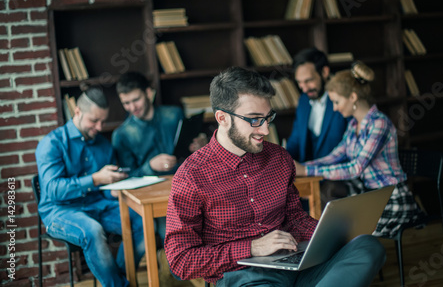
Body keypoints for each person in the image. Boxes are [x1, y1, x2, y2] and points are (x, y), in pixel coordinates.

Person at [164, 67, 386, 286]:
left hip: (296, 265)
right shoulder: (191, 176)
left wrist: (330, 236)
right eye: (254, 120)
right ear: (222, 118)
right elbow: (181, 261)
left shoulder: (279, 158)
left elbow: (294, 219)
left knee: (367, 246)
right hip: (244, 278)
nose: (265, 130)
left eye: (268, 117)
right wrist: (252, 247)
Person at [294, 61, 426, 238]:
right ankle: (331, 250)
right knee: (331, 195)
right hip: (368, 194)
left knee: (345, 230)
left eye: (336, 101)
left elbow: (356, 168)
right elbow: (336, 156)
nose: (334, 108)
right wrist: (302, 167)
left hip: (389, 198)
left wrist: (307, 170)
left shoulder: (379, 123)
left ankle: (340, 253)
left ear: (353, 97)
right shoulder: (354, 125)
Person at [35, 86, 145, 287]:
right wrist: (95, 179)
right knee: (92, 231)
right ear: (77, 112)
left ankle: (119, 281)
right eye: (94, 121)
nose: (100, 127)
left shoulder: (104, 145)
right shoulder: (52, 143)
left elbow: (107, 190)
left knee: (143, 222)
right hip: (60, 210)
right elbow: (53, 190)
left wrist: (114, 188)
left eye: (103, 121)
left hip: (99, 204)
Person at [112, 71, 206, 285]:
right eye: (126, 103)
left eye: (135, 99)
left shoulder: (173, 114)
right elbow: (125, 178)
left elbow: (190, 151)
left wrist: (199, 144)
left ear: (149, 93)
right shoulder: (122, 134)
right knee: (164, 236)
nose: (132, 107)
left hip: (185, 188)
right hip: (149, 200)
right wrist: (149, 166)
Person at [286, 47, 348, 163]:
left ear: (324, 72)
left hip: (336, 175)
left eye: (309, 81)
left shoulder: (344, 99)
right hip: (308, 175)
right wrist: (283, 160)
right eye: (299, 82)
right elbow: (296, 139)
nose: (304, 88)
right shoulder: (303, 100)